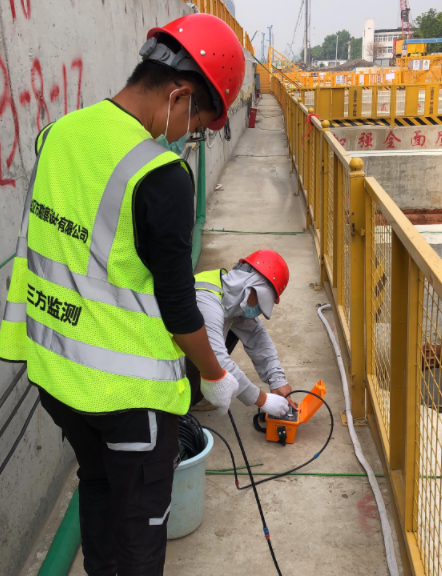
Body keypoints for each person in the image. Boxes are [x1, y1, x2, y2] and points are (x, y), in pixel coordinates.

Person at [0, 14, 246, 576]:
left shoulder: (58, 133)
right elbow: (180, 309)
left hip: (57, 379)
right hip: (128, 401)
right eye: (197, 122)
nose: (190, 136)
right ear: (179, 95)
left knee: (98, 487)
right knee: (140, 531)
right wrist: (215, 375)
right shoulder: (160, 175)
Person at [187, 250, 296, 416]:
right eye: (260, 302)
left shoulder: (231, 294)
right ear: (250, 286)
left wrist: (277, 379)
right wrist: (263, 400)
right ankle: (183, 400)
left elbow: (256, 336)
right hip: (164, 368)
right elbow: (216, 359)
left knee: (238, 325)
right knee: (206, 349)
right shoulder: (205, 300)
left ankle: (196, 393)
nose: (258, 310)